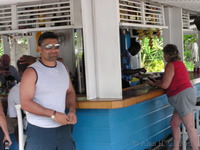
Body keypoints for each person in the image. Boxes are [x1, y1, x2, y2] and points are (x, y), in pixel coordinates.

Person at [20, 32, 76, 150]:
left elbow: (70, 92)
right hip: (40, 130)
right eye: (48, 47)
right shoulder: (31, 72)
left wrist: (71, 110)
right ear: (40, 49)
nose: (53, 50)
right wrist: (53, 114)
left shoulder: (63, 68)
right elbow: (25, 103)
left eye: (56, 46)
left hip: (63, 127)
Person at [148, 44, 198, 150]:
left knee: (189, 127)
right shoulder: (179, 63)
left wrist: (154, 84)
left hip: (182, 97)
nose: (164, 56)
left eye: (164, 54)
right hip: (184, 96)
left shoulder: (171, 65)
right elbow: (171, 81)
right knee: (174, 123)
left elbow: (165, 85)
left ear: (167, 55)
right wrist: (159, 82)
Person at [6, 60, 29, 150]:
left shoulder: (14, 90)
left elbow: (12, 115)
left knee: (14, 126)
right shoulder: (42, 88)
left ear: (19, 72)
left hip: (28, 127)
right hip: (49, 124)